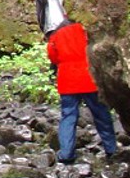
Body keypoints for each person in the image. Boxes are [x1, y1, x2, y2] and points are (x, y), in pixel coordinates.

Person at [46, 18, 117, 164]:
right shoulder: (86, 30)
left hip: (67, 80)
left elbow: (53, 56)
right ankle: (111, 148)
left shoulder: (56, 35)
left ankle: (66, 153)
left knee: (68, 116)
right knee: (101, 114)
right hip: (89, 77)